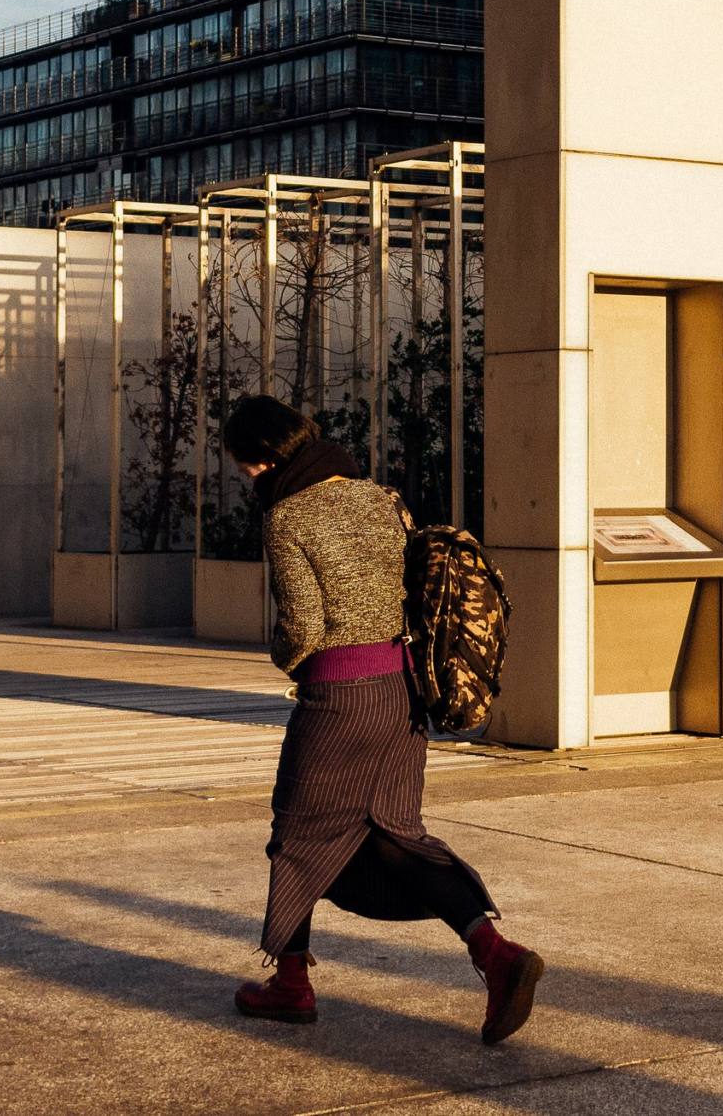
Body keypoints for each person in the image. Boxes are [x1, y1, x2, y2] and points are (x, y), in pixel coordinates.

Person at [220, 394, 543, 1046]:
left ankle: (291, 984)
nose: (244, 478)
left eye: (242, 466)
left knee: (298, 833)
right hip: (401, 695)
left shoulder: (287, 517)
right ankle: (495, 953)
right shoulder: (379, 498)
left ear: (260, 459)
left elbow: (304, 628)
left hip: (337, 700)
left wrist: (282, 656)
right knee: (395, 833)